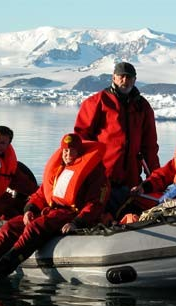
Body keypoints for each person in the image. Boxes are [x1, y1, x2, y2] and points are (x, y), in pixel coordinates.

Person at [0, 133, 109, 278]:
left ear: (78, 151)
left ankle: (3, 267)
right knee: (13, 224)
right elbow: (41, 194)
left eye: (71, 150)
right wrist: (30, 209)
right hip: (51, 210)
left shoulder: (93, 172)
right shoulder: (59, 169)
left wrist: (77, 222)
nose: (67, 154)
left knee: (36, 227)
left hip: (70, 213)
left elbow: (95, 204)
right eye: (65, 150)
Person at [74, 61, 160, 218]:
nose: (125, 81)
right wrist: (84, 172)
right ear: (114, 77)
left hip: (131, 179)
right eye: (122, 77)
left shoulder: (142, 106)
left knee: (128, 215)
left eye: (129, 78)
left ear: (135, 80)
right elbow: (82, 138)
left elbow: (150, 146)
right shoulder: (98, 102)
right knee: (100, 214)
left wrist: (155, 178)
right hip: (103, 178)